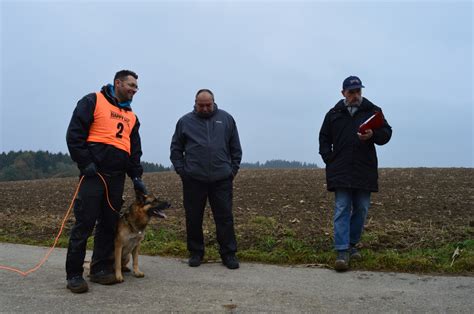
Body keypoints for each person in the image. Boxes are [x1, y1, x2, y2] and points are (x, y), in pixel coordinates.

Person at [65, 70, 148, 293]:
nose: (134, 90)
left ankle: (100, 269)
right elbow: (74, 135)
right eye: (131, 85)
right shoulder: (93, 101)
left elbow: (134, 151)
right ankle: (74, 274)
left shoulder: (132, 117)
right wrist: (84, 162)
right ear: (117, 83)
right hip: (93, 175)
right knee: (84, 223)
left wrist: (136, 176)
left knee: (108, 224)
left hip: (116, 178)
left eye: (136, 87)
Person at [319, 76, 392, 271]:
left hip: (364, 169)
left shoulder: (373, 111)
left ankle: (351, 244)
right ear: (343, 93)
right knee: (342, 208)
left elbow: (386, 133)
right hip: (340, 170)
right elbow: (324, 138)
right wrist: (330, 160)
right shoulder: (333, 114)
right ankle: (341, 251)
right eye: (351, 92)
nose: (355, 95)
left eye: (358, 91)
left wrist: (373, 135)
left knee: (361, 209)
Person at [170, 89, 242, 269]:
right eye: (200, 105)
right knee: (193, 217)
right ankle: (196, 252)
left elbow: (235, 148)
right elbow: (176, 149)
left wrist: (231, 171)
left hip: (221, 179)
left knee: (224, 217)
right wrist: (182, 171)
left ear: (213, 102)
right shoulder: (185, 122)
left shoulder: (226, 119)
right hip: (194, 179)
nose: (204, 108)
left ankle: (228, 254)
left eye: (207, 105)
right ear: (195, 103)